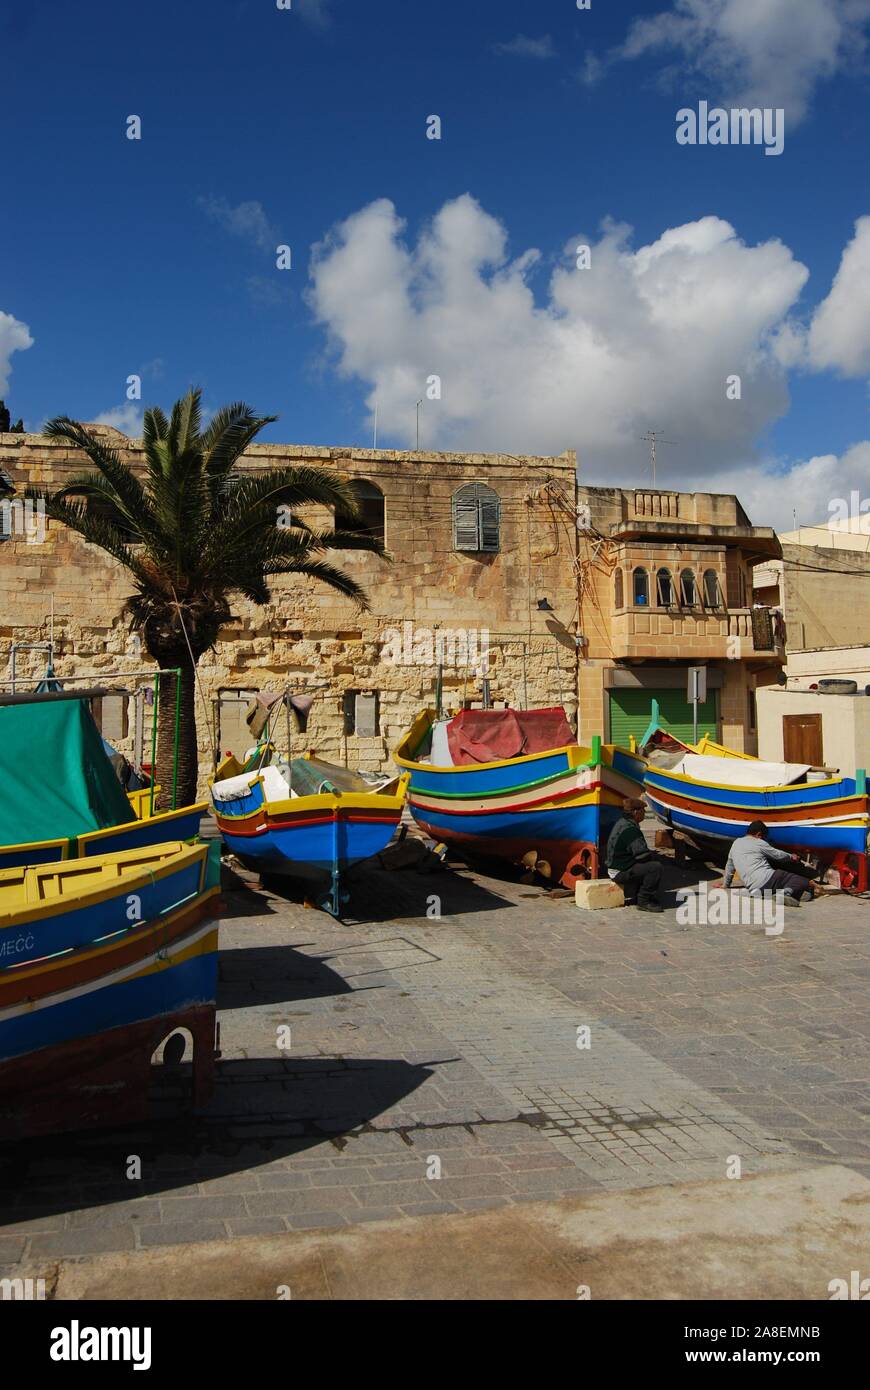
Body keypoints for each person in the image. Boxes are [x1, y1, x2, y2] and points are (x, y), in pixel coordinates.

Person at [723, 821, 818, 906]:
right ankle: (784, 893)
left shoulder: (736, 843)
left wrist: (725, 885)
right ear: (759, 834)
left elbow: (730, 866)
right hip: (766, 880)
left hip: (753, 887)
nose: (764, 840)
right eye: (764, 837)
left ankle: (789, 893)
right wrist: (791, 856)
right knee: (801, 880)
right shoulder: (759, 842)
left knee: (783, 882)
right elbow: (777, 855)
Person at [605, 797, 663, 912]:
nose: (644, 813)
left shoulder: (622, 822)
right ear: (636, 812)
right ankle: (643, 900)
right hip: (619, 871)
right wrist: (652, 858)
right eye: (643, 810)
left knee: (645, 865)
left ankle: (640, 895)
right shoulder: (631, 830)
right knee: (655, 867)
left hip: (617, 867)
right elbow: (642, 855)